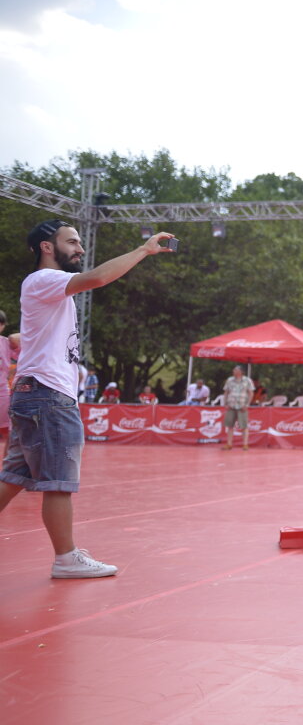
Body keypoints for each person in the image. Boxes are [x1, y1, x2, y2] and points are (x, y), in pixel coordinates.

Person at [1, 219, 174, 578]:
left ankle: (66, 556)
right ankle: (66, 559)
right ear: (47, 247)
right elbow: (96, 278)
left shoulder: (45, 288)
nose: (80, 248)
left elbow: (37, 330)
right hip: (48, 395)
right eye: (72, 242)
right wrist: (143, 250)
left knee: (13, 477)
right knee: (58, 481)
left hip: (34, 393)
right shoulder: (45, 280)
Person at [221, 365, 254, 451]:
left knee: (244, 426)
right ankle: (229, 444)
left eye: (235, 370)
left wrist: (247, 405)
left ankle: (245, 444)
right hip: (231, 405)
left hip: (242, 405)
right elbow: (226, 392)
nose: (234, 371)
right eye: (234, 370)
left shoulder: (247, 380)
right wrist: (225, 403)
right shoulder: (229, 380)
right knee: (229, 426)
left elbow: (250, 393)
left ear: (241, 372)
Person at [0, 311, 12, 447]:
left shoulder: (7, 343)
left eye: (1, 323)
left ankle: (8, 468)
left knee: (10, 433)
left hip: (2, 394)